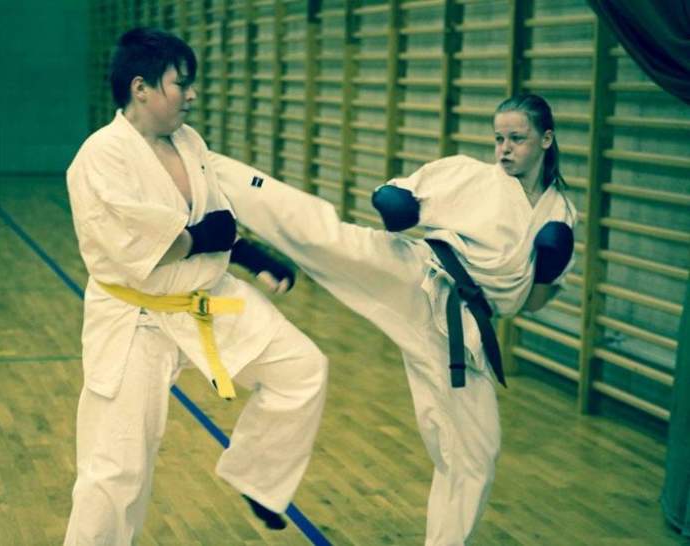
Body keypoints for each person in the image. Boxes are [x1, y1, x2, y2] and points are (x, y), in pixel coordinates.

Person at [211, 93, 576, 545]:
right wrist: (398, 201)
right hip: (418, 276)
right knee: (325, 236)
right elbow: (406, 198)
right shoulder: (473, 177)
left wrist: (550, 265)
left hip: (461, 335)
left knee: (476, 456)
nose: (504, 149)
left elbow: (529, 304)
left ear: (546, 138)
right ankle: (214, 169)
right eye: (499, 138)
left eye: (517, 139)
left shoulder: (561, 216)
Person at [63, 27, 328, 545]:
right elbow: (144, 246)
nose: (193, 95)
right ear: (141, 88)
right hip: (135, 319)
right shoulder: (102, 156)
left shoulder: (188, 141)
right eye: (180, 84)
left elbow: (213, 218)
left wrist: (251, 255)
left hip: (208, 296)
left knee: (302, 369)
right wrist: (206, 236)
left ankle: (257, 477)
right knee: (117, 471)